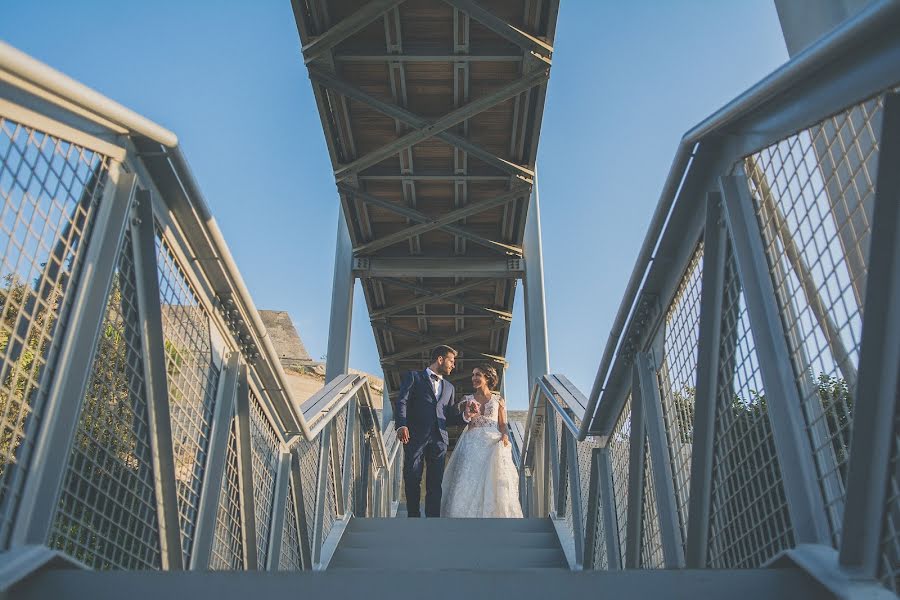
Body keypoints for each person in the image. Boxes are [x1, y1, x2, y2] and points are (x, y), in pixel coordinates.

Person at [395, 345, 474, 518]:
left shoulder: (450, 388)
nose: (453, 365)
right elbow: (402, 401)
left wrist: (465, 416)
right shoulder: (414, 377)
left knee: (435, 482)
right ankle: (413, 517)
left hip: (439, 439)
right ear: (440, 359)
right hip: (414, 436)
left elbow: (449, 417)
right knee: (412, 477)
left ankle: (433, 520)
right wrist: (402, 424)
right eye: (451, 361)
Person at [440, 363, 523, 518]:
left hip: (492, 442)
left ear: (487, 377)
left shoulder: (499, 400)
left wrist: (505, 435)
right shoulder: (467, 399)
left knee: (492, 478)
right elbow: (459, 420)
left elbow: (503, 424)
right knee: (468, 477)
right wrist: (467, 414)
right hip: (472, 442)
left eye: (478, 375)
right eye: (473, 375)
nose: (474, 378)